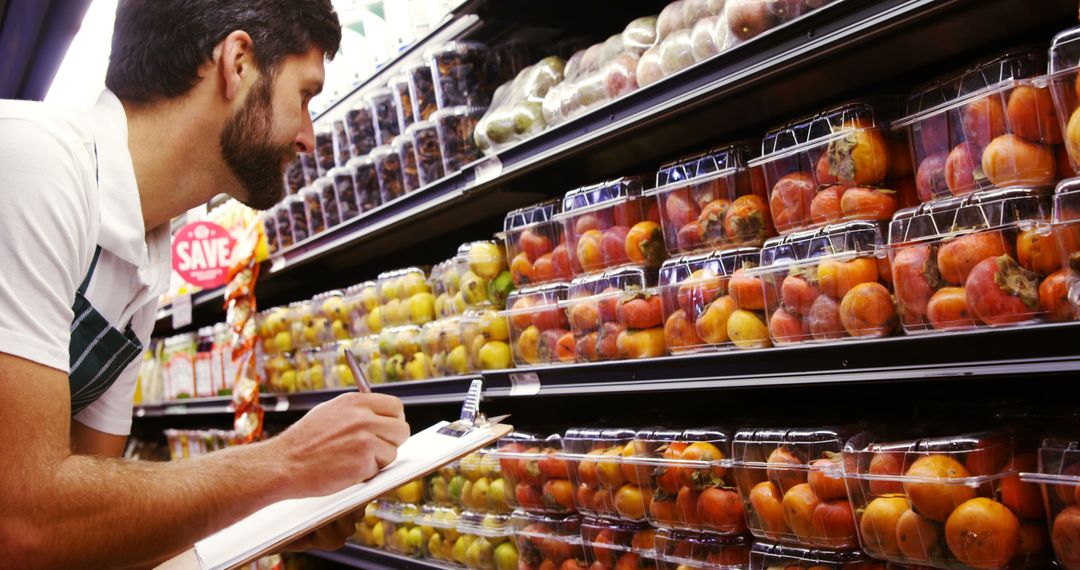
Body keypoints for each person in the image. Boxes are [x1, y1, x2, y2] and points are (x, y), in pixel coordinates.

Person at [0, 1, 411, 567]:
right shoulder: (32, 164)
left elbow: (87, 538)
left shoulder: (144, 252)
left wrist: (269, 519)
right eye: (305, 96)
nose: (308, 138)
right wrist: (285, 464)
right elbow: (24, 521)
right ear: (238, 63)